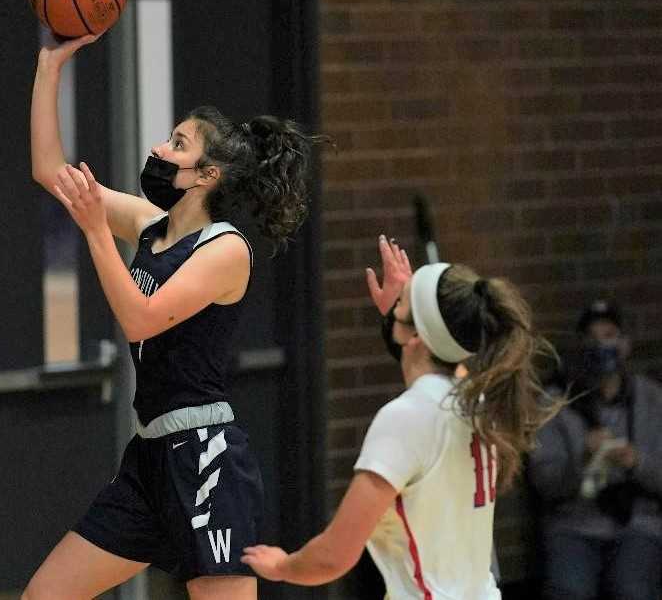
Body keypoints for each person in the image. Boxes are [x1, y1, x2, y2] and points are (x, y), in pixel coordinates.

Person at [21, 33, 322, 600]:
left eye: (177, 143)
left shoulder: (226, 250)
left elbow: (140, 319)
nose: (160, 148)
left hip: (205, 457)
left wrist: (92, 232)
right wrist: (49, 65)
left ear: (207, 174)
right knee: (45, 594)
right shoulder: (149, 223)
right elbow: (47, 168)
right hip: (149, 458)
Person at [242, 256, 559, 599]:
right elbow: (433, 362)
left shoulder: (405, 418)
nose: (395, 307)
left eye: (403, 303)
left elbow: (333, 557)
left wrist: (283, 566)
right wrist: (404, 312)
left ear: (416, 336)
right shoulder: (479, 401)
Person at [526, 299, 662, 600]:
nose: (601, 346)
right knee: (570, 590)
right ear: (580, 345)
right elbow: (544, 482)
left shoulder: (650, 399)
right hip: (574, 523)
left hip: (636, 523)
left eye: (609, 335)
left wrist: (635, 462)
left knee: (633, 589)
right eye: (592, 338)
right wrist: (583, 459)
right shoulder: (555, 402)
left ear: (625, 344)